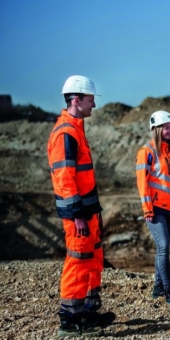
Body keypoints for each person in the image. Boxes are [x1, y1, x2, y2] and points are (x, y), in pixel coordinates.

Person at [47, 75, 116, 337]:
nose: (94, 106)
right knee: (78, 262)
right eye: (90, 100)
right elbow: (64, 179)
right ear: (76, 100)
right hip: (79, 216)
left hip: (88, 213)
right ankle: (70, 320)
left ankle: (88, 311)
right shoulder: (65, 132)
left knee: (93, 258)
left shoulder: (75, 129)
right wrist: (76, 215)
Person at [135, 110, 170, 308]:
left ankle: (158, 287)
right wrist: (147, 209)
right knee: (164, 246)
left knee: (163, 247)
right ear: (156, 129)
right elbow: (142, 185)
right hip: (156, 209)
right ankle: (169, 291)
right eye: (166, 127)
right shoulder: (147, 152)